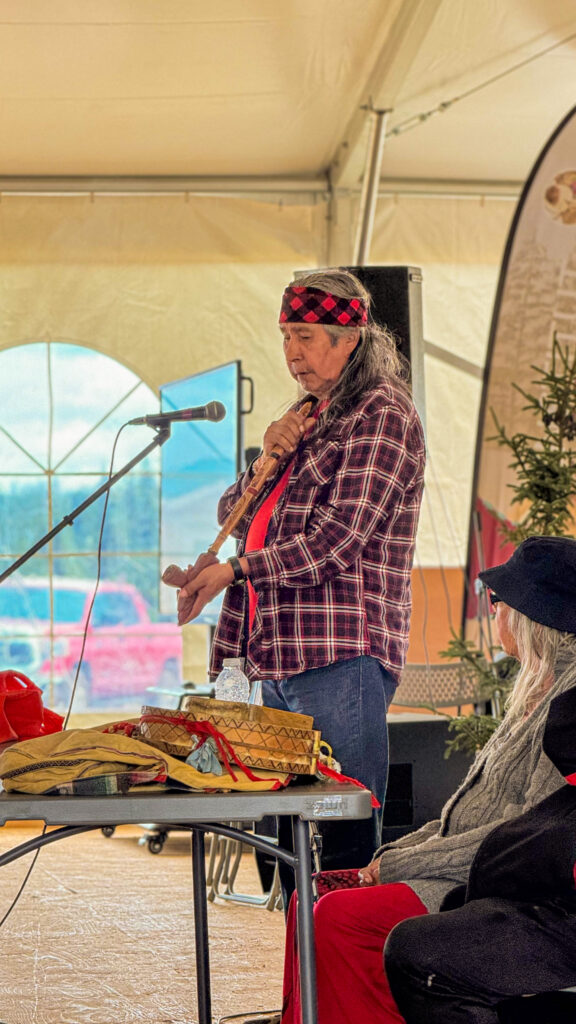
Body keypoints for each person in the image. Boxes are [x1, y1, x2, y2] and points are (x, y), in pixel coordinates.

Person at [178, 267, 426, 876]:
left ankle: (343, 969)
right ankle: (300, 971)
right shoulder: (310, 413)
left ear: (350, 339)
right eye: (286, 334)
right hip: (277, 651)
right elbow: (235, 515)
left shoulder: (381, 414)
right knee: (283, 849)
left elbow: (337, 543)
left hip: (341, 653)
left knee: (343, 839)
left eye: (306, 336)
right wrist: (267, 455)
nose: (291, 352)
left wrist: (235, 571)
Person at [279, 535, 576, 1024]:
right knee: (310, 894)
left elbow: (525, 839)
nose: (493, 610)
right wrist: (392, 857)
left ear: (530, 616)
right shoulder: (534, 689)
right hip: (452, 865)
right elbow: (457, 818)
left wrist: (399, 864)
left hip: (487, 887)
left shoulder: (567, 705)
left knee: (340, 917)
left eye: (498, 601)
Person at [385, 680, 576, 1024]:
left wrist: (398, 863)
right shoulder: (546, 701)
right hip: (534, 891)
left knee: (414, 949)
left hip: (556, 911)